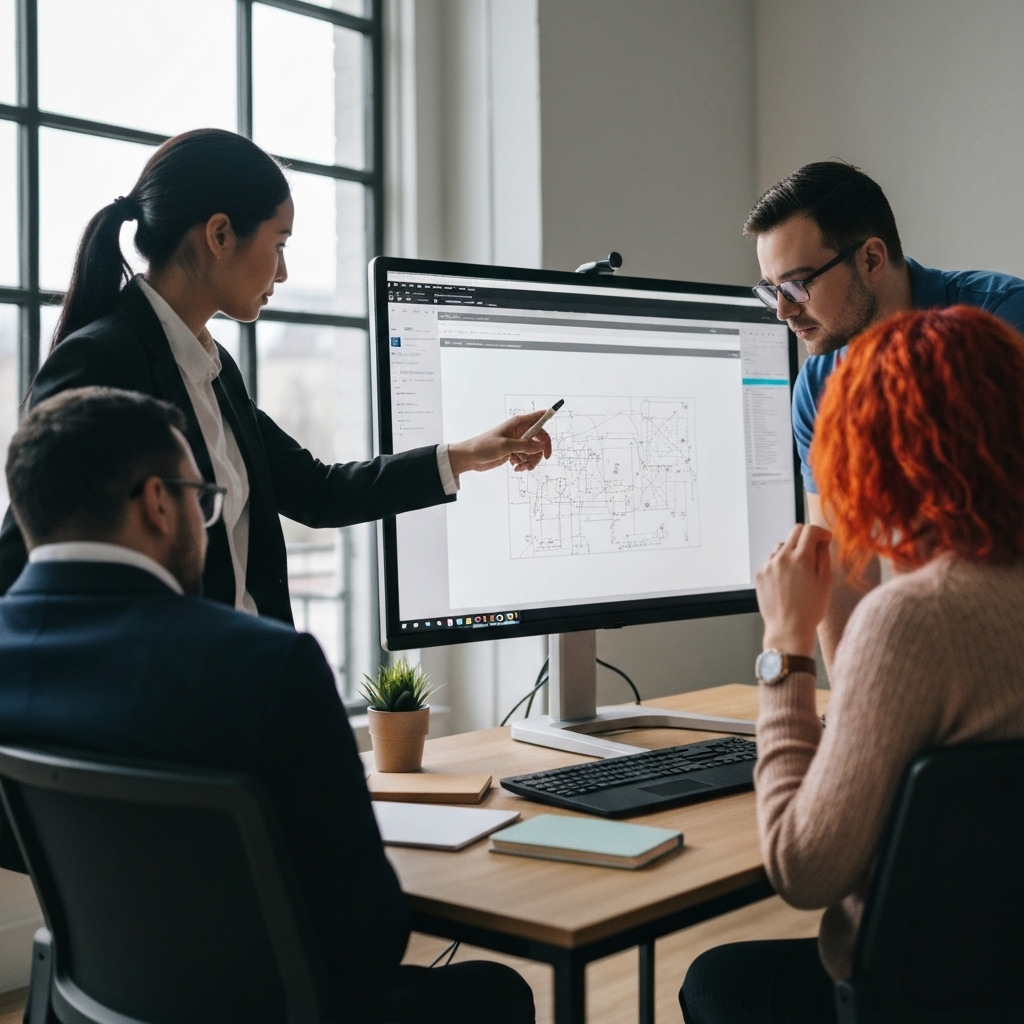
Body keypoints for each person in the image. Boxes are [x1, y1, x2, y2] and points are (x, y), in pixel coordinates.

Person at [0, 386, 535, 1024]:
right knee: (498, 990)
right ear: (156, 504)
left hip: (99, 998)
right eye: (203, 499)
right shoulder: (265, 665)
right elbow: (370, 940)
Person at [0, 128, 551, 623]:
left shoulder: (214, 370)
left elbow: (318, 492)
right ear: (219, 235)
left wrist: (470, 454)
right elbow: (26, 556)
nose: (283, 272)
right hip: (166, 705)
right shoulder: (99, 362)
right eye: (279, 244)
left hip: (236, 688)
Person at [678, 306, 1024, 1023]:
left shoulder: (913, 621)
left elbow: (804, 870)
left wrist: (786, 643)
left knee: (716, 979)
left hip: (913, 998)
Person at [743, 161, 1024, 668]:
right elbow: (842, 561)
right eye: (770, 290)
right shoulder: (819, 386)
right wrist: (851, 708)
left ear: (872, 258)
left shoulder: (1004, 327)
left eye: (797, 285)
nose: (782, 310)